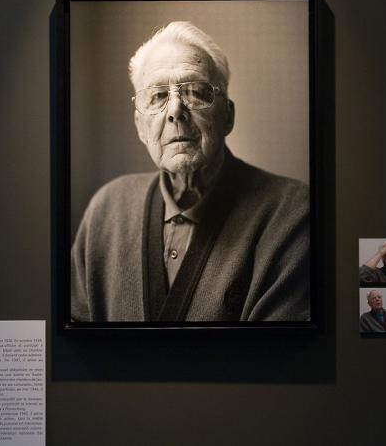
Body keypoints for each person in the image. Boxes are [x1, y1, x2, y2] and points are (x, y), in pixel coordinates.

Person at [70, 21, 309, 322]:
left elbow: (274, 360)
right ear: (140, 127)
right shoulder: (106, 210)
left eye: (195, 91)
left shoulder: (292, 213)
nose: (175, 111)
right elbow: (77, 349)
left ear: (227, 116)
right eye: (157, 96)